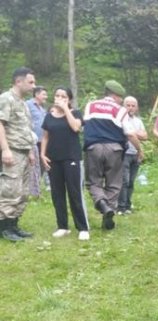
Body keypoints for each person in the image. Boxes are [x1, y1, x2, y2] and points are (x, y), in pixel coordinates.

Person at [83, 80, 142, 230]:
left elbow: (85, 126)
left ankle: (102, 205)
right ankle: (108, 212)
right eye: (121, 98)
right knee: (114, 184)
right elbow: (130, 133)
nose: (122, 101)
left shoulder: (90, 105)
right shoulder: (120, 110)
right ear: (115, 95)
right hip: (115, 150)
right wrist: (139, 150)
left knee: (93, 182)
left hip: (93, 148)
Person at [40, 86, 90, 240]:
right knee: (57, 193)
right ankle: (62, 226)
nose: (60, 99)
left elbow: (76, 127)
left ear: (69, 100)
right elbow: (46, 137)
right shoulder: (49, 116)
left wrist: (66, 109)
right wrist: (42, 154)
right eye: (57, 95)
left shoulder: (75, 113)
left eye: (64, 96)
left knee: (75, 193)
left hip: (71, 158)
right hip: (53, 159)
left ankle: (82, 228)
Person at [0, 67, 36, 241]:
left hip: (23, 151)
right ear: (18, 81)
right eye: (30, 82)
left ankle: (14, 225)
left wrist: (29, 151)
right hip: (12, 151)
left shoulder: (22, 102)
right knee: (9, 190)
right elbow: (0, 124)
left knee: (22, 191)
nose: (33, 86)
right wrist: (5, 149)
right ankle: (4, 228)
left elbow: (25, 129)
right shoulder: (6, 99)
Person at [117, 96, 147, 215]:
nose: (130, 108)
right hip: (124, 154)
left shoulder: (138, 121)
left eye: (133, 105)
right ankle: (121, 207)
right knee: (124, 181)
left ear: (137, 107)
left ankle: (128, 205)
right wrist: (134, 133)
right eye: (128, 105)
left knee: (131, 181)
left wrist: (132, 133)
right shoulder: (119, 119)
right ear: (123, 106)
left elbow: (145, 136)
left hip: (136, 154)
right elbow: (128, 134)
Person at [26, 86, 48, 197]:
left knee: (41, 165)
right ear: (37, 94)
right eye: (44, 94)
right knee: (31, 165)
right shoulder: (28, 105)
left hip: (42, 142)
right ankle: (28, 190)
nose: (46, 97)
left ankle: (36, 187)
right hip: (31, 142)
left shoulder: (43, 109)